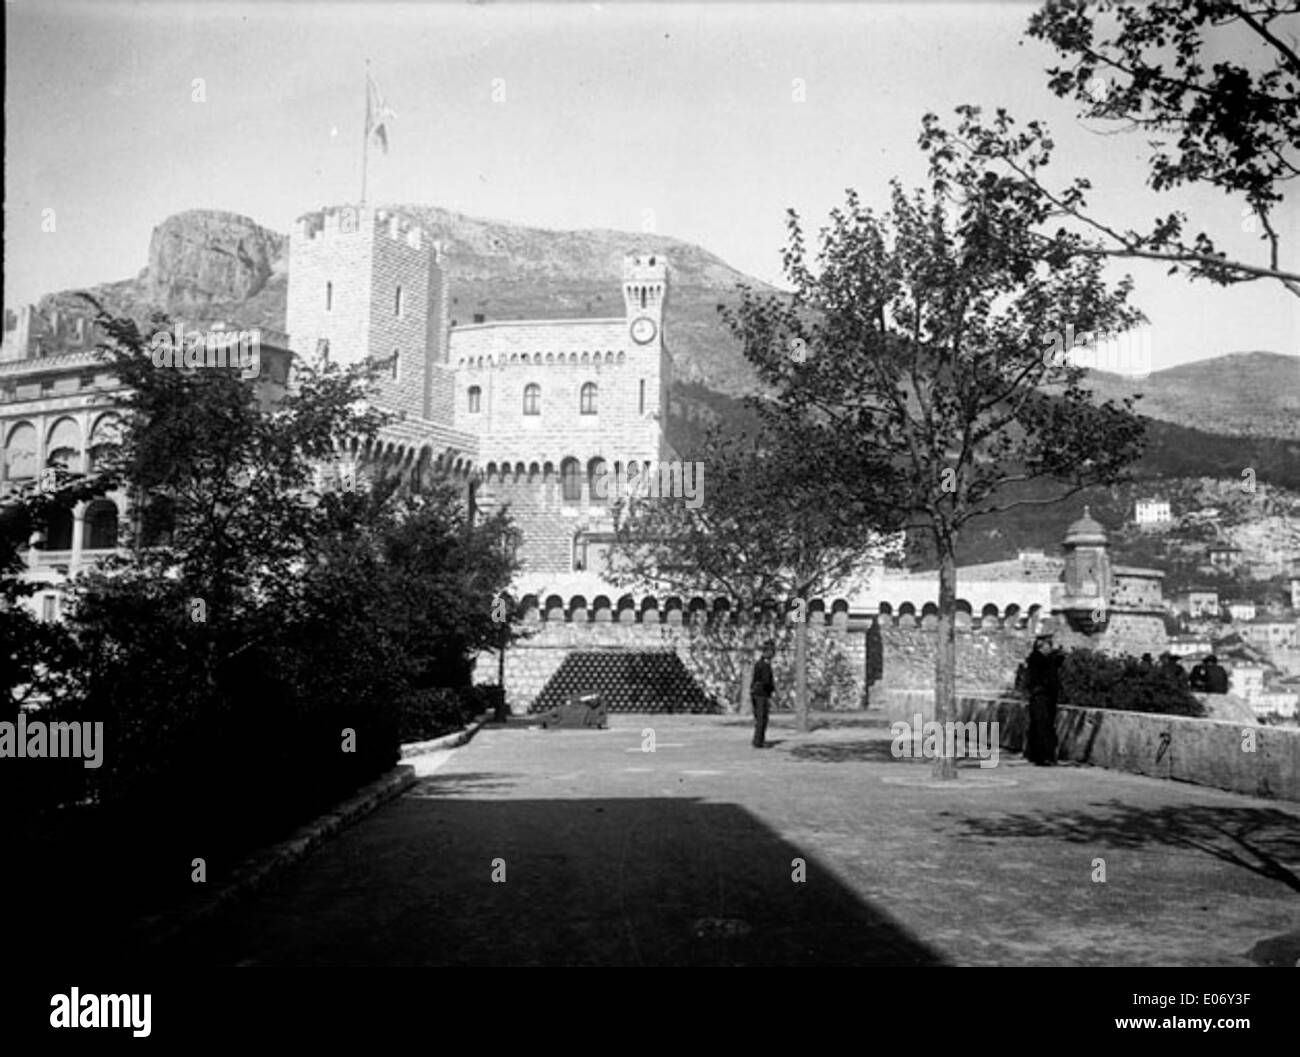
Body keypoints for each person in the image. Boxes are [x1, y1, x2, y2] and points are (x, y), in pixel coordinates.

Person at [1022, 634, 1062, 765]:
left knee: (1038, 725)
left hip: (1040, 696)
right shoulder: (1039, 660)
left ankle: (1037, 755)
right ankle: (1044, 756)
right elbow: (1048, 677)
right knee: (1043, 725)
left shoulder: (1037, 659)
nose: (1050, 648)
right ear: (1041, 647)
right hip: (1042, 696)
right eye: (1048, 645)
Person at [751, 640, 776, 748]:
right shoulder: (763, 665)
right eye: (772, 651)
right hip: (761, 694)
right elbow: (766, 681)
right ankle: (758, 741)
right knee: (761, 718)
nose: (773, 654)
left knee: (762, 718)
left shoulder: (761, 664)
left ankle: (760, 739)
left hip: (759, 693)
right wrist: (771, 690)